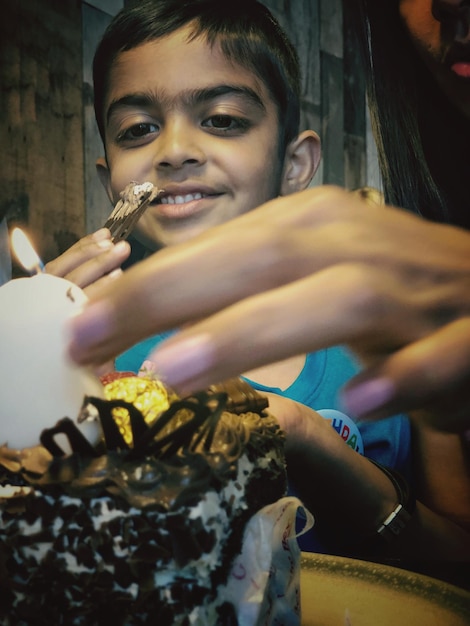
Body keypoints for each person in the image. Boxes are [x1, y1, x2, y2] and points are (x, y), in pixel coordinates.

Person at [67, 0, 470, 439]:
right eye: (138, 129)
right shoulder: (89, 357)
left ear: (294, 165)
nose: (174, 151)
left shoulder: (378, 331)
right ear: (110, 182)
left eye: (222, 120)